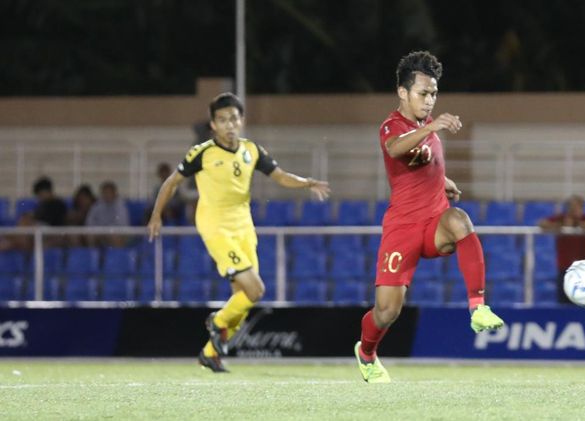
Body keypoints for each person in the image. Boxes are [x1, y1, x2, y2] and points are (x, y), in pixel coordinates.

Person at [147, 92, 330, 373]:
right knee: (256, 289)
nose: (229, 125)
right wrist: (157, 214)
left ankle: (209, 354)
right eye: (222, 120)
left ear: (241, 121)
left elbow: (280, 176)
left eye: (234, 119)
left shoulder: (251, 150)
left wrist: (306, 182)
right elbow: (172, 183)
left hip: (244, 227)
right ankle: (217, 322)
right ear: (213, 125)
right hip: (215, 226)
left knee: (242, 302)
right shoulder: (203, 153)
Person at [353, 51, 504, 384]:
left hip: (434, 222)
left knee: (461, 221)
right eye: (423, 93)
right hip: (402, 227)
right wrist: (433, 126)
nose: (430, 100)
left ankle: (478, 306)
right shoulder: (393, 125)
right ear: (403, 93)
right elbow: (395, 149)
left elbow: (426, 164)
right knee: (387, 311)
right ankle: (366, 352)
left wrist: (444, 182)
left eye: (434, 93)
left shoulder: (429, 131)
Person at [538, 195, 585, 304]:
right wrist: (561, 226)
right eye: (573, 207)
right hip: (565, 269)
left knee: (583, 303)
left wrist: (577, 225)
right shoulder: (561, 219)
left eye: (578, 207)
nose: (575, 210)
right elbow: (542, 223)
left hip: (583, 271)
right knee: (564, 303)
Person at [86, 181, 130, 247]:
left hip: (116, 234)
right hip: (100, 232)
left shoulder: (120, 206)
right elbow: (89, 222)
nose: (107, 195)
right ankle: (92, 256)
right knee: (90, 237)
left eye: (109, 192)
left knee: (114, 237)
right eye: (105, 193)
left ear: (114, 193)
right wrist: (100, 231)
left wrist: (108, 232)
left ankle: (117, 256)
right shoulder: (97, 205)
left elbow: (122, 225)